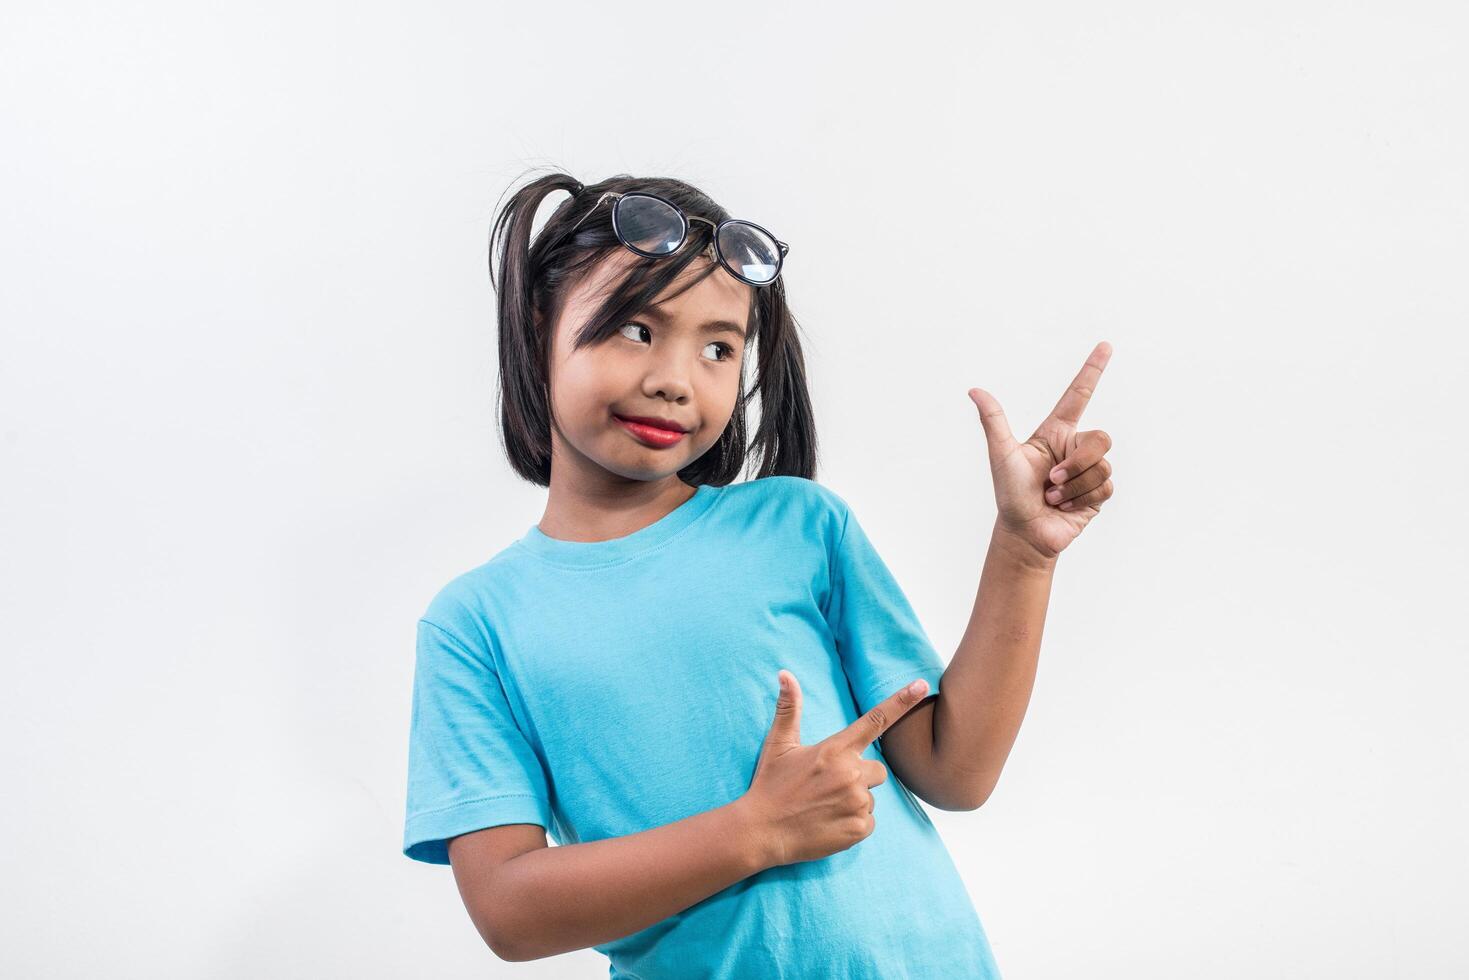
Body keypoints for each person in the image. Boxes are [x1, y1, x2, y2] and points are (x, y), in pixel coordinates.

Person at [401, 171, 1117, 978]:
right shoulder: (477, 622)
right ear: (539, 329)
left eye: (717, 348)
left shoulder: (798, 527)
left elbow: (955, 769)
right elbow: (507, 911)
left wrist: (1022, 553)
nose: (676, 378)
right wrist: (756, 830)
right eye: (636, 329)